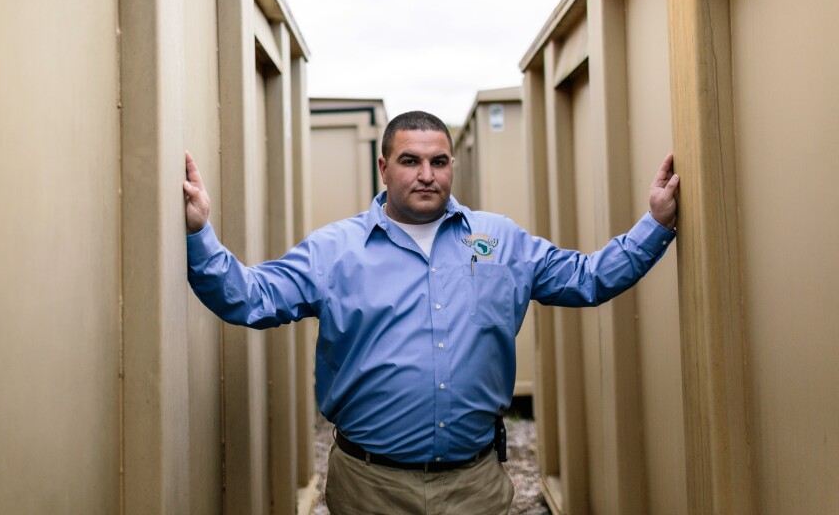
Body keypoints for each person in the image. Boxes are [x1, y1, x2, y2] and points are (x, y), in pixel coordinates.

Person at [183, 110, 679, 515]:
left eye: (439, 161)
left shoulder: (499, 239)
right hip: (370, 488)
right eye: (410, 161)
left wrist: (655, 223)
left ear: (451, 166)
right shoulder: (334, 250)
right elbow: (249, 298)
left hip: (474, 486)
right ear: (383, 167)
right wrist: (200, 232)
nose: (426, 175)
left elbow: (588, 279)